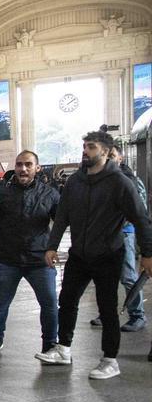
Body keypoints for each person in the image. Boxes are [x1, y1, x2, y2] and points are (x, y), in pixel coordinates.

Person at [36, 130, 152, 379]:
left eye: (91, 147)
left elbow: (141, 220)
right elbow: (62, 217)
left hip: (108, 255)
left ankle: (110, 360)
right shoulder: (75, 181)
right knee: (67, 300)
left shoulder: (120, 182)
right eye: (84, 146)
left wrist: (148, 254)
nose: (85, 151)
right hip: (79, 254)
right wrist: (51, 246)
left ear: (106, 152)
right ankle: (63, 349)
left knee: (107, 307)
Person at [0, 150, 60, 356]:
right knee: (1, 303)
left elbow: (62, 221)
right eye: (19, 164)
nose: (23, 168)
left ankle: (49, 343)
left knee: (49, 303)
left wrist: (53, 247)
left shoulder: (49, 193)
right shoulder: (2, 192)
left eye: (28, 164)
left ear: (37, 168)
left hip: (39, 259)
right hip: (7, 259)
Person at [89, 137, 147, 332]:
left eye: (113, 156)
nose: (110, 160)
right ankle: (106, 313)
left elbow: (141, 212)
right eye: (107, 156)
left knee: (128, 276)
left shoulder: (129, 180)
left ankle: (137, 315)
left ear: (120, 159)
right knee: (103, 277)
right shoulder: (97, 179)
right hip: (101, 237)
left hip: (123, 235)